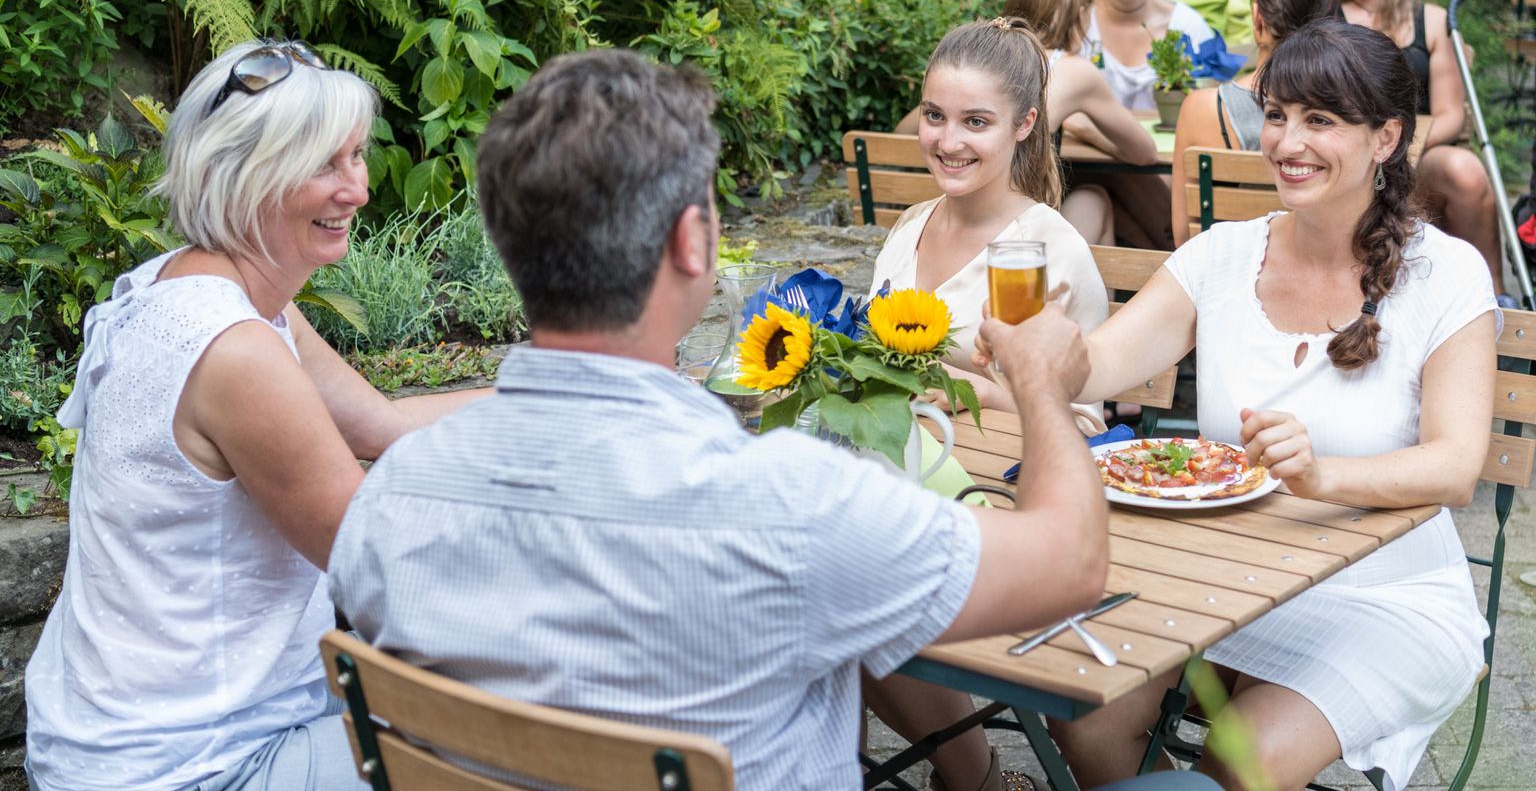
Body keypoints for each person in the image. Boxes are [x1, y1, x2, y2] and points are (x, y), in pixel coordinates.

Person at [325, 49, 1216, 791]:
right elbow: (1070, 565)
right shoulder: (797, 509)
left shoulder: (392, 496)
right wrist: (1035, 378)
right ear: (692, 242)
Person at [1024, 21, 1497, 791]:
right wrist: (1047, 349)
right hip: (1226, 582)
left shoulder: (1446, 274)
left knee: (1243, 756)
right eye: (1276, 114)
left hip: (1383, 594)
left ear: (1386, 138)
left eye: (1320, 120)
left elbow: (1454, 468)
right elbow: (1104, 361)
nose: (1287, 142)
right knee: (1083, 709)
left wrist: (1324, 475)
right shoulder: (1222, 255)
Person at [24, 39, 491, 791]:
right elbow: (382, 565)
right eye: (324, 165)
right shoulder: (234, 351)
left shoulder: (186, 290)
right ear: (245, 178)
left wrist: (566, 390)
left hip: (132, 738)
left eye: (356, 156)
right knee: (544, 736)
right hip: (191, 766)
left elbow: (379, 424)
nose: (359, 189)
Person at [868, 18, 1112, 790]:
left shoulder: (1042, 250)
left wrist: (947, 382)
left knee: (855, 596)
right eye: (936, 117)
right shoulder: (908, 227)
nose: (948, 140)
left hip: (1004, 498)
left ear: (1025, 126)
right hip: (908, 481)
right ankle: (969, 770)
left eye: (976, 122)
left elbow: (1076, 416)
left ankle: (970, 773)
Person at [897, 0, 1161, 245]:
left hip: (955, 218)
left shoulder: (983, 67)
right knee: (1095, 197)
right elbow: (1144, 152)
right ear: (1080, 11)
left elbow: (899, 133)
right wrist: (1087, 131)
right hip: (1018, 234)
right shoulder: (1074, 71)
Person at [1320, 0, 1506, 294]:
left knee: (1466, 171)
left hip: (1417, 153)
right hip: (1344, 156)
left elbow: (1450, 115)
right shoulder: (1326, 20)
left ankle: (1495, 297)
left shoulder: (1431, 21)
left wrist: (1398, 148)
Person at [1170, 0, 1342, 245]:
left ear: (1257, 17)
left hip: (1222, 280)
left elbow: (1183, 236)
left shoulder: (1203, 109)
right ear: (1334, 22)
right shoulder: (1351, 112)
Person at [1078, 0, 1217, 250]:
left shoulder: (1184, 24)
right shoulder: (1079, 24)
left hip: (1168, 176)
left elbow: (1213, 105)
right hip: (1090, 167)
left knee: (1105, 188)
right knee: (1093, 188)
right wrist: (1124, 147)